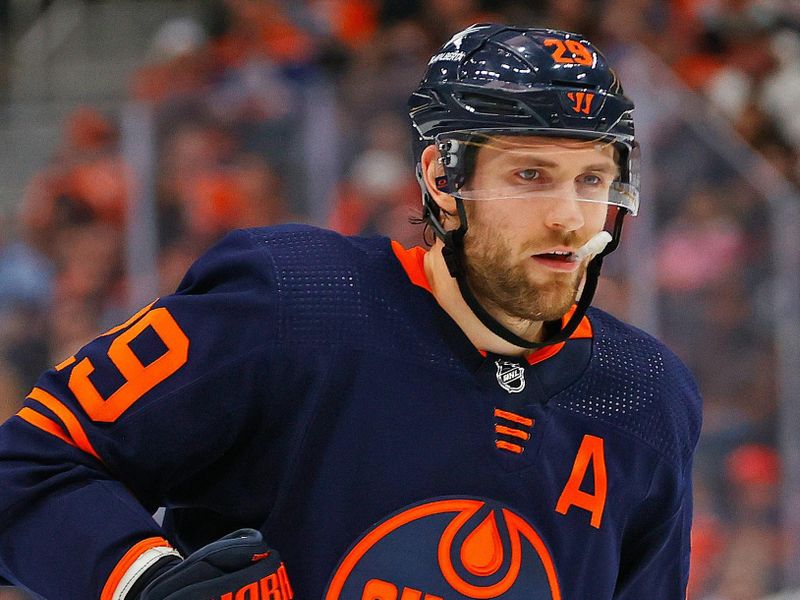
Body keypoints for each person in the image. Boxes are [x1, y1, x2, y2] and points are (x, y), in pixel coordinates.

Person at [0, 24, 702, 599]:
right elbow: (30, 462)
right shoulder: (292, 302)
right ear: (442, 181)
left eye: (592, 179)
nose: (569, 218)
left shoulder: (647, 395)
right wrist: (142, 582)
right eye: (530, 175)